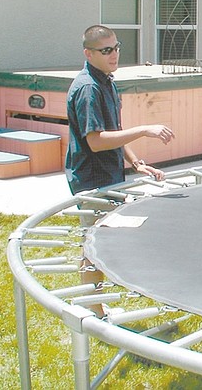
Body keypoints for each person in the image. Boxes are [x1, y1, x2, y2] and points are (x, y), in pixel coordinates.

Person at [66, 24, 175, 316]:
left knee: (106, 241)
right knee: (93, 245)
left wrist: (136, 162)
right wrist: (144, 130)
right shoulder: (89, 88)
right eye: (106, 50)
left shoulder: (106, 81)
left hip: (109, 176)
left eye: (116, 47)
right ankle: (94, 311)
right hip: (92, 180)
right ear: (89, 53)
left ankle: (96, 305)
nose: (114, 54)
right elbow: (97, 141)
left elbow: (114, 131)